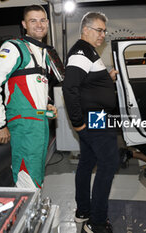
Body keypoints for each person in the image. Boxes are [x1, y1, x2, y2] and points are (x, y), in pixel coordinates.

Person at [0, 5, 58, 189]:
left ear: (47, 22)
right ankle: (26, 213)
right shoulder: (14, 47)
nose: (39, 25)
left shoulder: (43, 52)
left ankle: (33, 211)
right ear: (24, 24)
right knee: (27, 174)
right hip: (24, 123)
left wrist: (48, 104)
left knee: (36, 173)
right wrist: (0, 124)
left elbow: (33, 86)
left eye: (42, 20)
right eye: (33, 20)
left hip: (40, 122)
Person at [62, 12, 119, 233]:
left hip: (95, 115)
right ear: (85, 29)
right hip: (93, 117)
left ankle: (83, 211)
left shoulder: (88, 51)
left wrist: (107, 78)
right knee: (109, 163)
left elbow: (87, 82)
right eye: (99, 30)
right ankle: (96, 223)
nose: (103, 35)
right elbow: (70, 87)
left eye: (105, 31)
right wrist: (77, 122)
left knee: (87, 162)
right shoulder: (80, 52)